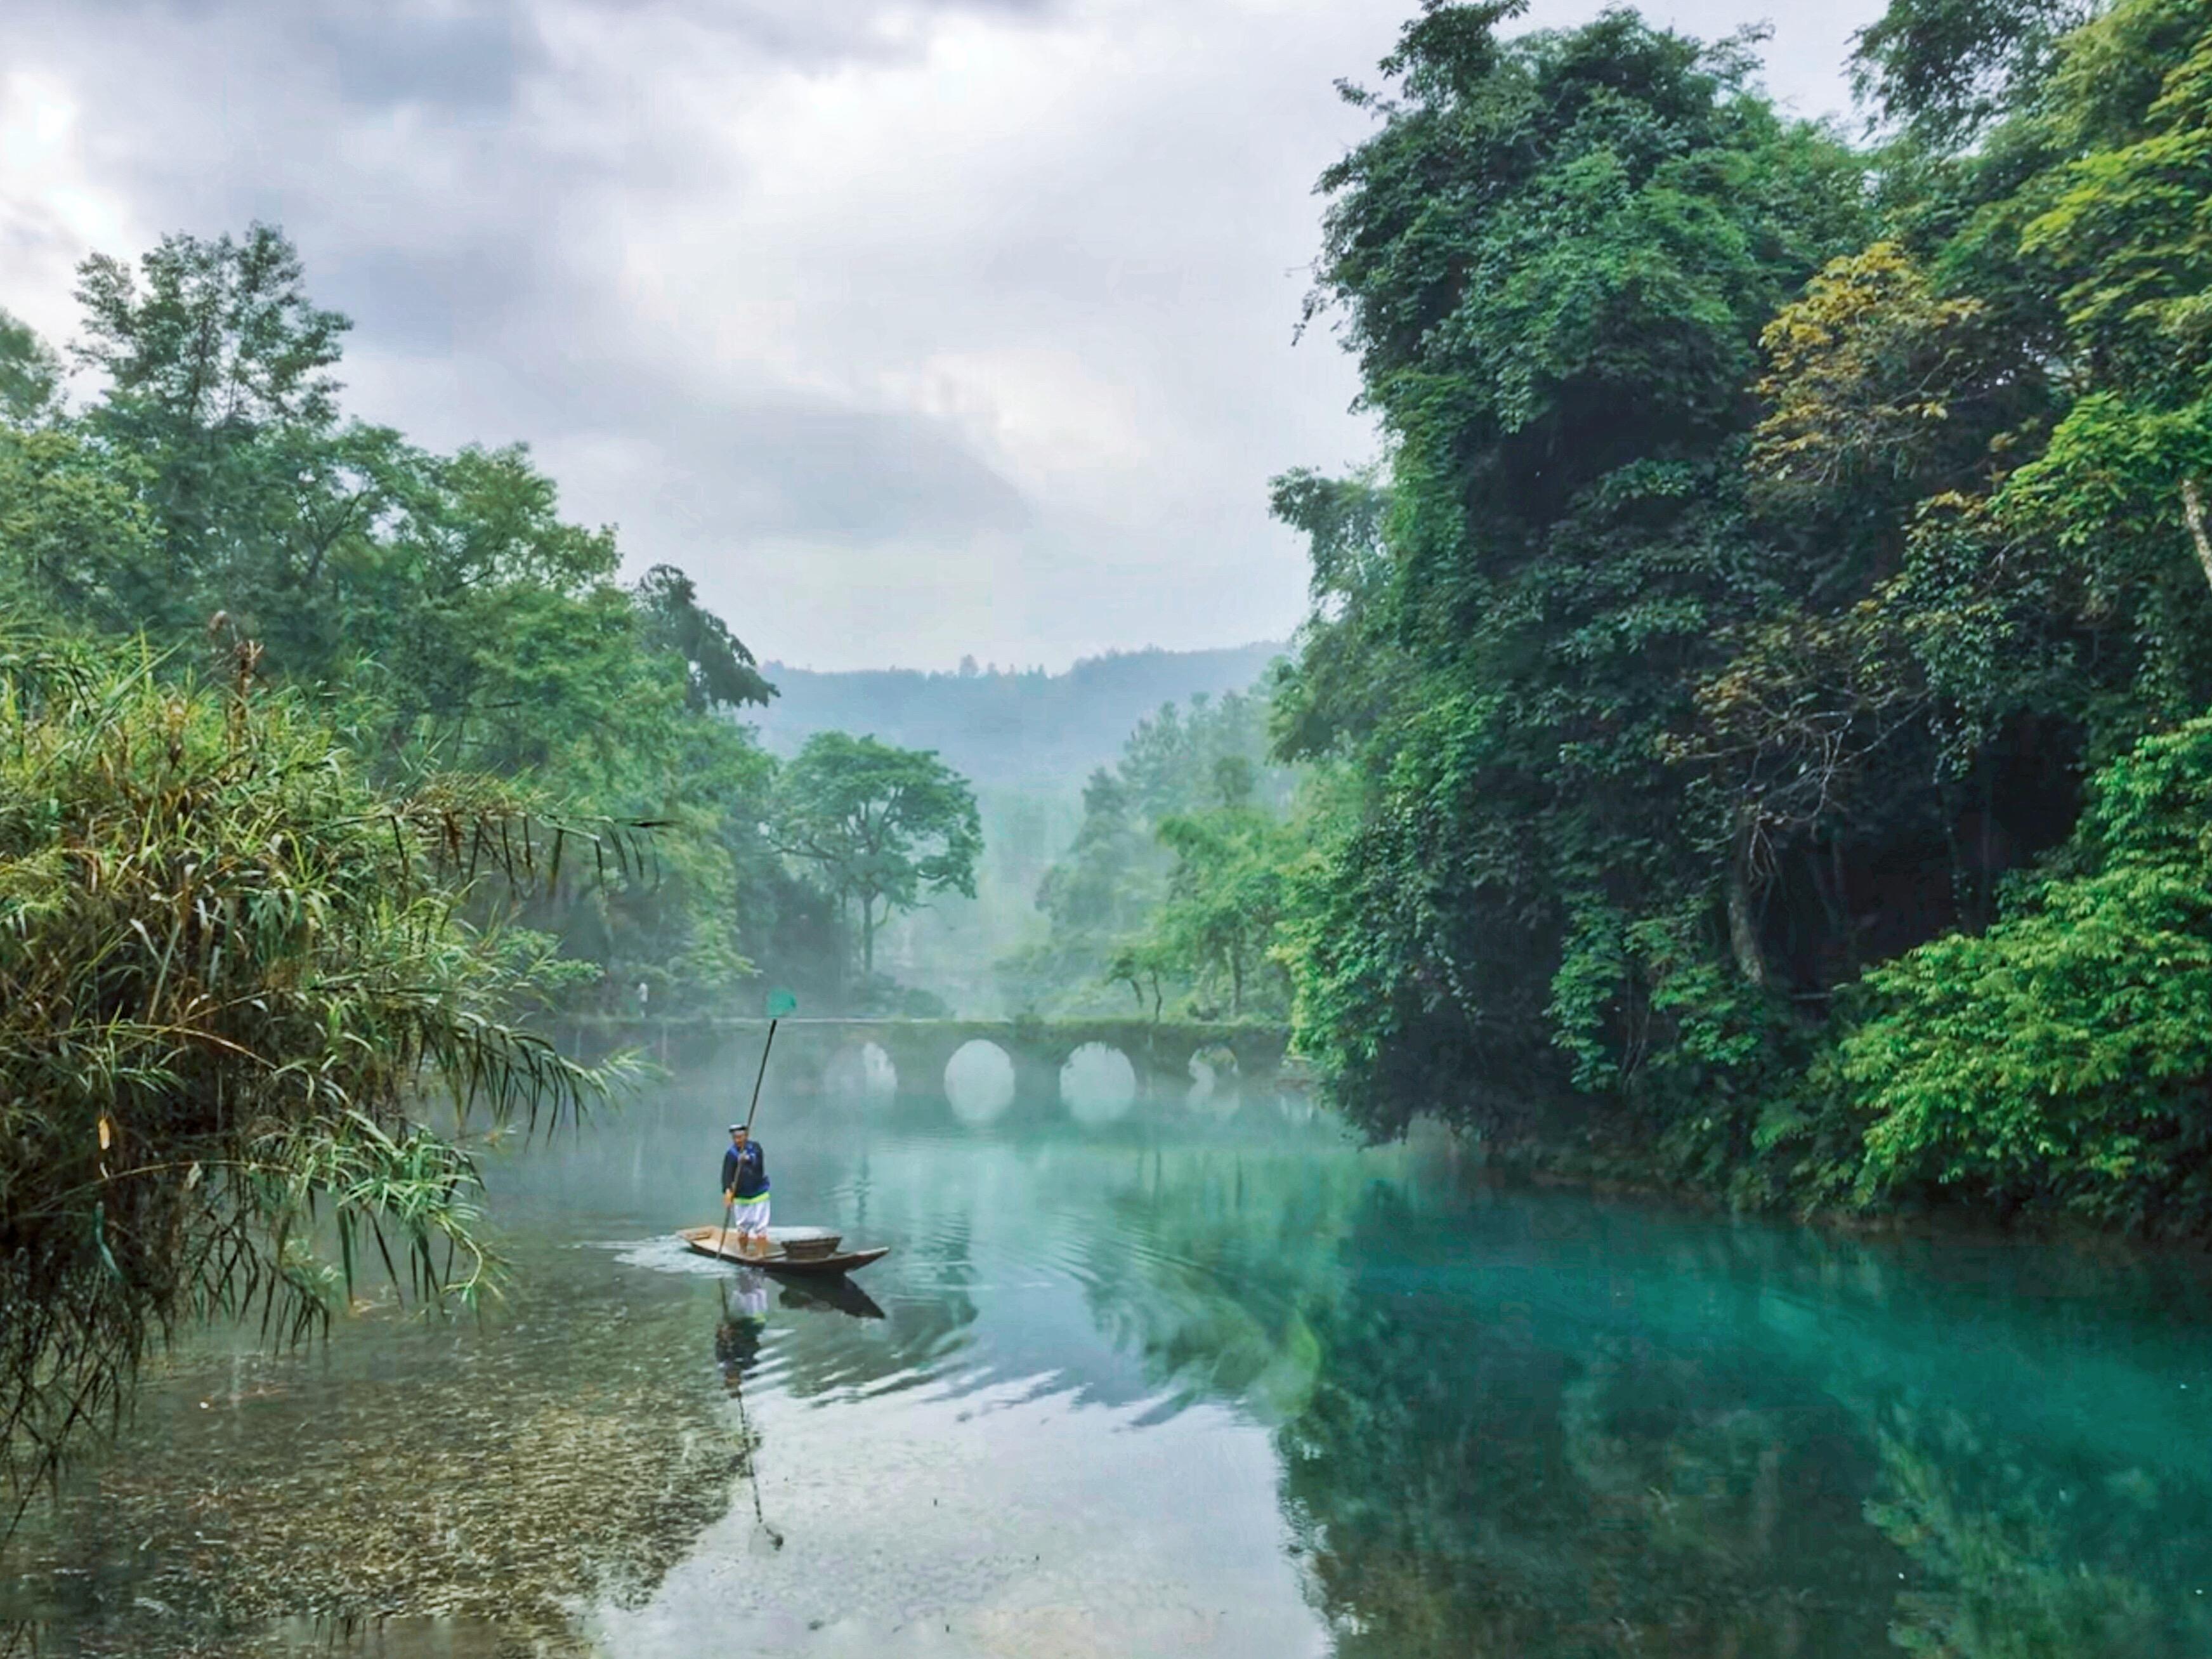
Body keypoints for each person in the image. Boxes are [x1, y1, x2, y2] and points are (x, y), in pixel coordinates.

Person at [721, 1123, 771, 1258]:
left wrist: (747, 1159)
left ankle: (761, 1255)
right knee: (742, 1227)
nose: (738, 1140)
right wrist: (727, 1191)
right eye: (736, 1138)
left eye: (741, 1137)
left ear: (746, 1136)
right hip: (742, 1195)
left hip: (759, 1193)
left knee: (761, 1227)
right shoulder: (731, 1154)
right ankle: (743, 1253)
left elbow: (758, 1163)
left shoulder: (755, 1147)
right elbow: (727, 1175)